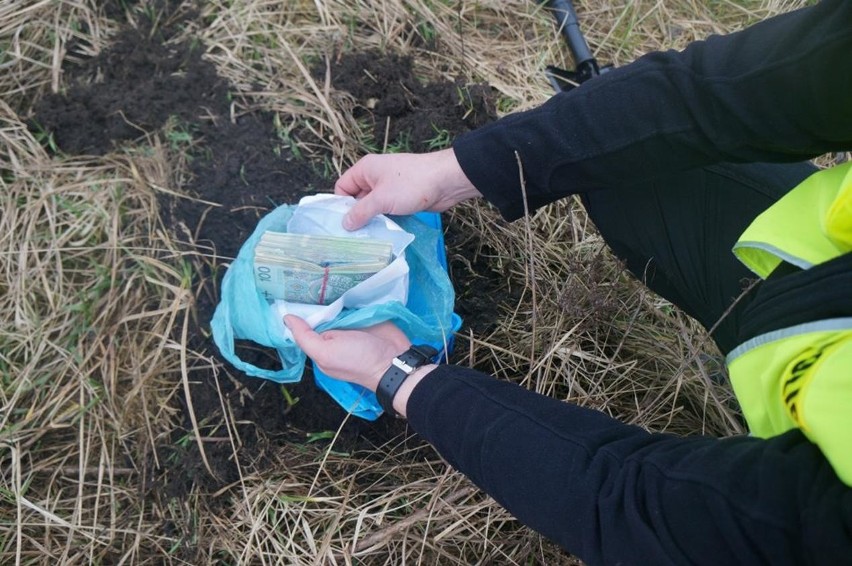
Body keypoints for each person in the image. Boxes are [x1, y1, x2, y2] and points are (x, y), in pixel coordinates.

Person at [284, 1, 852, 564]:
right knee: (620, 168)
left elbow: (628, 504)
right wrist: (456, 171)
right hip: (814, 262)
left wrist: (398, 376)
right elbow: (711, 91)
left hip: (810, 429)